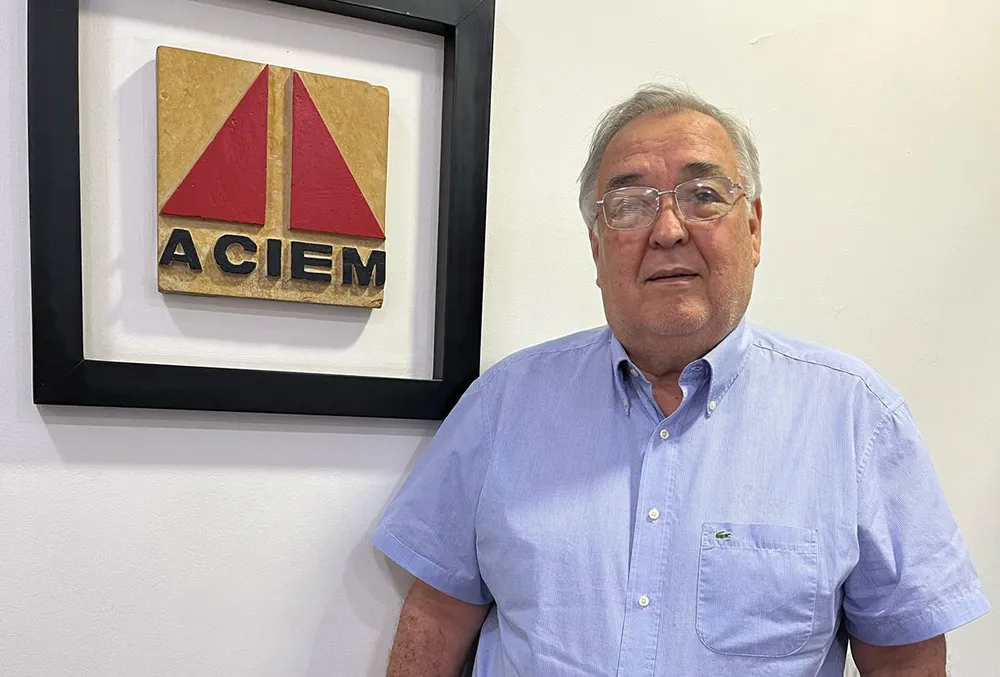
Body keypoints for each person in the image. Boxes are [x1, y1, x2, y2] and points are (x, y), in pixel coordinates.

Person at [371, 84, 990, 676]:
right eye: (630, 205)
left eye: (703, 196)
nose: (667, 230)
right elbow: (438, 616)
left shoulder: (856, 420)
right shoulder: (504, 405)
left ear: (753, 229)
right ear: (596, 248)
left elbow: (903, 659)